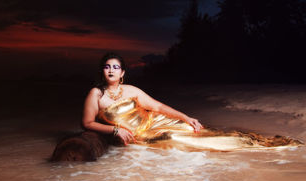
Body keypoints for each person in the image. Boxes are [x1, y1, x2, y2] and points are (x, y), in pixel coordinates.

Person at [82, 52, 302, 151]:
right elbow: (87, 123)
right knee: (173, 137)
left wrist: (186, 116)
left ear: (122, 73)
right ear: (102, 71)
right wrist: (114, 131)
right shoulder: (96, 94)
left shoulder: (130, 89)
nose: (111, 70)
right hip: (141, 134)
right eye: (107, 66)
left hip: (155, 121)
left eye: (116, 67)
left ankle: (253, 142)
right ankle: (240, 145)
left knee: (190, 128)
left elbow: (157, 106)